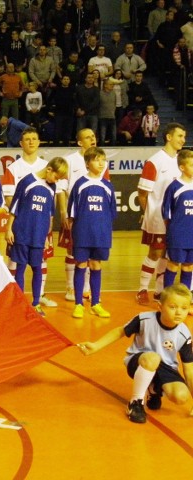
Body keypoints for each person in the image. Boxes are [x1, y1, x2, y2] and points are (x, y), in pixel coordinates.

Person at [77, 283, 193, 424]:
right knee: (152, 358)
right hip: (139, 361)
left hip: (165, 366)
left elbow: (189, 370)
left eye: (184, 308)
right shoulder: (144, 319)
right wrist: (96, 345)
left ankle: (154, 390)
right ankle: (136, 402)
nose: (179, 312)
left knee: (181, 396)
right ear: (160, 307)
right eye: (173, 307)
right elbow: (120, 331)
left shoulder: (184, 334)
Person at [2, 127, 57, 309]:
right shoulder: (13, 169)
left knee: (41, 261)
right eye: (27, 139)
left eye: (34, 138)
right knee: (15, 261)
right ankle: (15, 298)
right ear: (21, 143)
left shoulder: (48, 167)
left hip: (40, 225)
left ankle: (39, 296)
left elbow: (51, 200)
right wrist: (17, 222)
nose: (31, 142)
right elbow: (11, 198)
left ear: (39, 142)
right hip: (22, 226)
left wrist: (48, 226)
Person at [6, 156, 67, 316]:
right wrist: (9, 229)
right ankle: (20, 304)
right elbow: (15, 206)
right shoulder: (27, 181)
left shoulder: (52, 187)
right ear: (49, 169)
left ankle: (35, 303)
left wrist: (47, 236)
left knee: (37, 268)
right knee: (20, 267)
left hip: (39, 235)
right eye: (56, 176)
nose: (56, 180)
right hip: (22, 231)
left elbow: (49, 213)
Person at [56, 128, 109, 302]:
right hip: (75, 214)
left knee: (91, 256)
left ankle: (87, 288)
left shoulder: (102, 163)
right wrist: (64, 212)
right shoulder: (70, 160)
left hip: (93, 218)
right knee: (73, 252)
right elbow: (61, 189)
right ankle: (70, 287)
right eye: (88, 137)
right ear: (79, 142)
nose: (92, 139)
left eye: (93, 136)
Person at [137, 123, 187, 304]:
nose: (183, 139)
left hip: (176, 219)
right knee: (155, 253)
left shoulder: (180, 162)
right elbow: (142, 193)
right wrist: (149, 213)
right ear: (168, 137)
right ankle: (142, 289)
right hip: (157, 217)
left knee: (168, 254)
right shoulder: (155, 161)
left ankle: (159, 291)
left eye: (184, 136)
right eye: (180, 136)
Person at [67, 147, 117, 319]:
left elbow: (112, 212)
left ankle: (96, 303)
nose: (101, 163)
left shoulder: (108, 185)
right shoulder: (80, 184)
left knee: (96, 265)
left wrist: (103, 229)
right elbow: (72, 211)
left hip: (101, 234)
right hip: (82, 233)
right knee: (80, 265)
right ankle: (78, 304)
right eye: (97, 160)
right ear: (87, 163)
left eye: (103, 160)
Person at [162, 149, 193, 289]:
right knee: (173, 264)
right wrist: (171, 233)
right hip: (178, 236)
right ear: (182, 167)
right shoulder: (174, 187)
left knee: (188, 266)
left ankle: (184, 299)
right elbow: (166, 213)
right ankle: (166, 296)